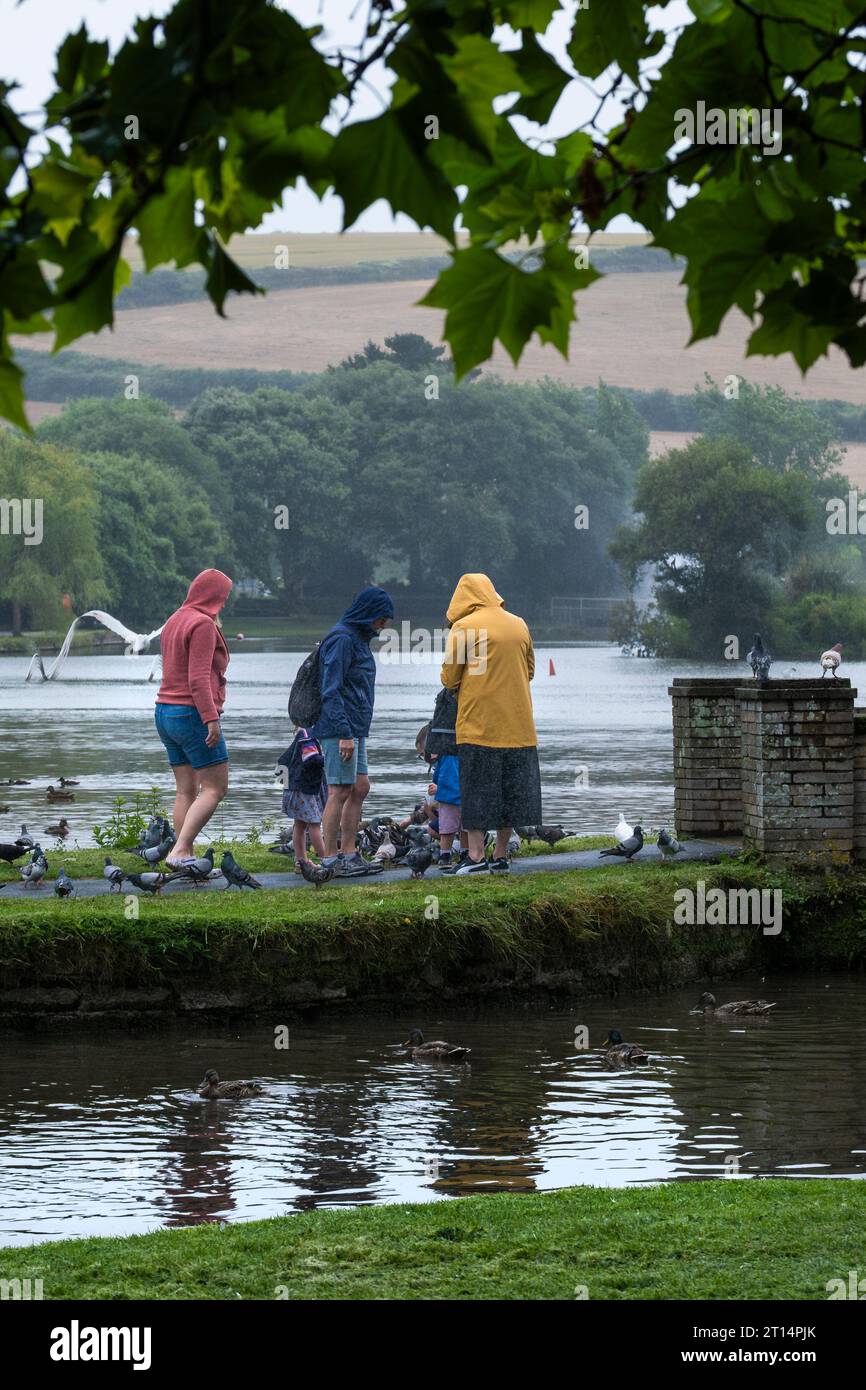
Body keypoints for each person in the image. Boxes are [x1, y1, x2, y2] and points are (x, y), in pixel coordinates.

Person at [440, 573, 541, 874]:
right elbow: (531, 671)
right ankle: (500, 855)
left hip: (479, 728)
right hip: (519, 728)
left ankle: (474, 857)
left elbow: (449, 678)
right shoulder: (519, 624)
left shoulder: (464, 627)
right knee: (510, 794)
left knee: (477, 793)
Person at [313, 585, 394, 876]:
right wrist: (344, 733)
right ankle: (331, 858)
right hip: (340, 728)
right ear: (368, 613)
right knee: (339, 790)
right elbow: (330, 691)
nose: (384, 625)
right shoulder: (342, 639)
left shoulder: (358, 639)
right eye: (382, 618)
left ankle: (350, 852)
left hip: (356, 727)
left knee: (360, 787)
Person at [154, 569, 233, 867]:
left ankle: (182, 852)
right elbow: (198, 679)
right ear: (213, 595)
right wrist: (211, 718)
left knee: (185, 789)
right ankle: (180, 850)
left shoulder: (175, 619)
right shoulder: (202, 624)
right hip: (191, 714)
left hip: (165, 712)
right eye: (223, 597)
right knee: (215, 788)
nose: (224, 603)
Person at [280, 726, 327, 868]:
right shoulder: (307, 734)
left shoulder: (303, 733)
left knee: (300, 824)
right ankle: (328, 859)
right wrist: (331, 757)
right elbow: (310, 758)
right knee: (314, 823)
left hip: (297, 786)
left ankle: (301, 862)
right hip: (303, 789)